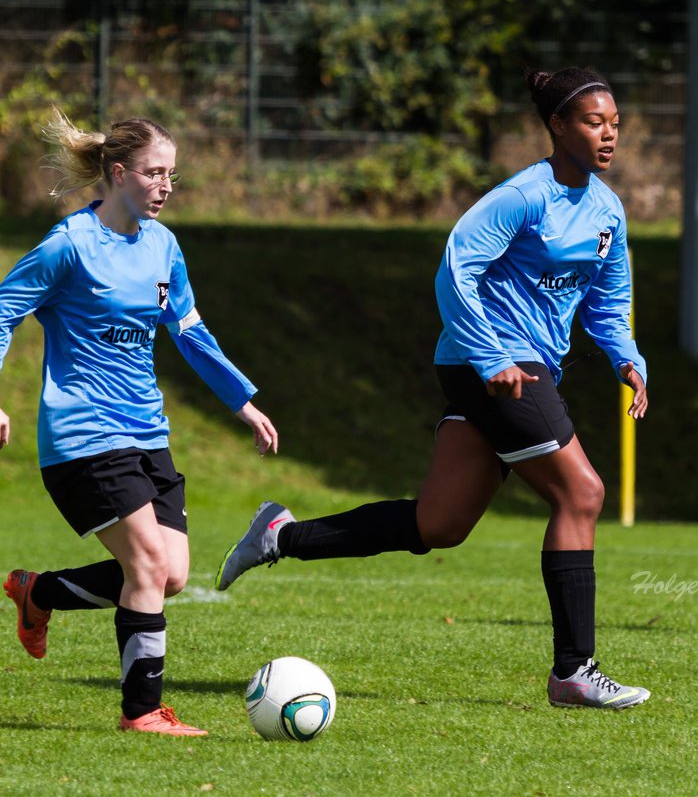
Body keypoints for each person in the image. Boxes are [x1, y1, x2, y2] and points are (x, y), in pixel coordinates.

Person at [215, 68, 652, 710]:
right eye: (594, 121)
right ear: (558, 126)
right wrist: (492, 354)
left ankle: (280, 535)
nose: (609, 134)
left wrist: (627, 358)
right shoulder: (521, 196)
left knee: (438, 523)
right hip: (495, 367)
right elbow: (456, 271)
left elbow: (608, 299)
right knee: (582, 493)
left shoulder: (606, 208)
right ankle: (574, 671)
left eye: (615, 123)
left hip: (525, 369)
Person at [0, 108, 278, 735]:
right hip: (82, 435)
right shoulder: (69, 245)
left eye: (173, 176)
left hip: (146, 433)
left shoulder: (163, 245)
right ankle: (142, 712)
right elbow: (2, 312)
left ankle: (40, 593)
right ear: (117, 173)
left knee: (173, 575)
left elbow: (188, 330)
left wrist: (240, 401)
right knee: (147, 570)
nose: (165, 186)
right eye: (154, 173)